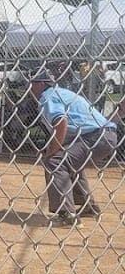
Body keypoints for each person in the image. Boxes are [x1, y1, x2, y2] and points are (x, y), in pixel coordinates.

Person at [30, 69, 118, 225]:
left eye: (33, 83)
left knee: (55, 161)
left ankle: (67, 214)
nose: (30, 88)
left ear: (42, 84)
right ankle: (87, 205)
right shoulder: (60, 93)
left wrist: (52, 152)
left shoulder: (47, 96)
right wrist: (56, 147)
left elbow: (61, 122)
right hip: (103, 136)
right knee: (69, 161)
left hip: (95, 137)